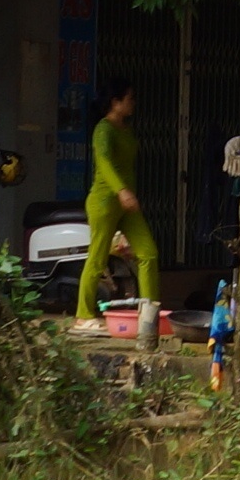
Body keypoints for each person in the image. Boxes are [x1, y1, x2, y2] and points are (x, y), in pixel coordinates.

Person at [75, 76, 162, 328]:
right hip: (104, 201)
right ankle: (83, 315)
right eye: (129, 98)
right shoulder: (103, 129)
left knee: (148, 254)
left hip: (126, 204)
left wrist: (127, 194)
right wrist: (122, 190)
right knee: (97, 258)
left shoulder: (126, 129)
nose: (134, 103)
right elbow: (103, 161)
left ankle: (149, 317)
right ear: (115, 102)